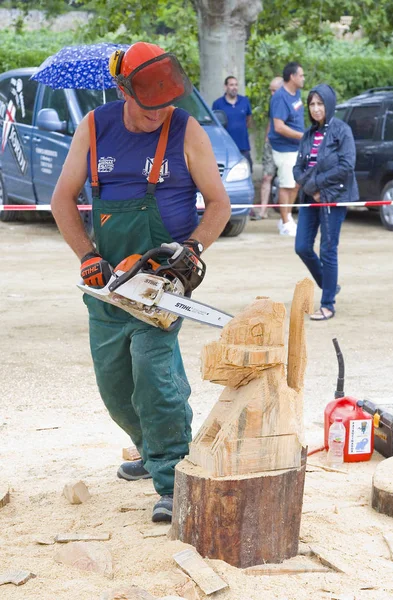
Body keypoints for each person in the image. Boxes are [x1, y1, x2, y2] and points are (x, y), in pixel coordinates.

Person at [51, 42, 231, 522]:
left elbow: (219, 204)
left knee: (156, 380)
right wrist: (87, 255)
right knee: (115, 388)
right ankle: (148, 447)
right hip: (108, 282)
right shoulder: (95, 127)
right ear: (122, 89)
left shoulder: (186, 129)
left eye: (167, 103)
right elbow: (61, 200)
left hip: (160, 281)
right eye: (151, 107)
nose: (160, 114)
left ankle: (174, 477)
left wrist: (192, 248)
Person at [293, 83, 358, 320]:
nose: (316, 108)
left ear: (329, 104)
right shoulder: (309, 134)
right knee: (301, 246)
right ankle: (329, 284)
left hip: (334, 197)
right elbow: (297, 167)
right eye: (312, 104)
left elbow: (346, 166)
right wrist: (311, 187)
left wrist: (317, 185)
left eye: (320, 103)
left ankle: (328, 303)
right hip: (310, 197)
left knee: (328, 249)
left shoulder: (342, 130)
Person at [269, 62, 305, 236]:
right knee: (286, 184)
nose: (303, 78)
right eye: (301, 75)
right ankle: (284, 223)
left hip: (296, 147)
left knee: (296, 183)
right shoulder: (280, 98)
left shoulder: (296, 94)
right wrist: (302, 136)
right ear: (292, 77)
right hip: (284, 148)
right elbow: (279, 127)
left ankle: (288, 216)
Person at [252, 76, 283, 220]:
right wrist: (266, 139)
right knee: (266, 177)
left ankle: (286, 214)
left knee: (285, 180)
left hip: (285, 146)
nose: (272, 94)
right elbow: (271, 122)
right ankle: (263, 210)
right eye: (270, 91)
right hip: (271, 144)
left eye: (274, 91)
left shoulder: (290, 102)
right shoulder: (273, 102)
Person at [212, 76, 253, 171]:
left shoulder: (244, 101)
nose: (234, 87)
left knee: (247, 171)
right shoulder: (217, 104)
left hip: (243, 146)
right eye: (231, 85)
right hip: (225, 147)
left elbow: (248, 119)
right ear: (225, 87)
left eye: (236, 85)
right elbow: (215, 124)